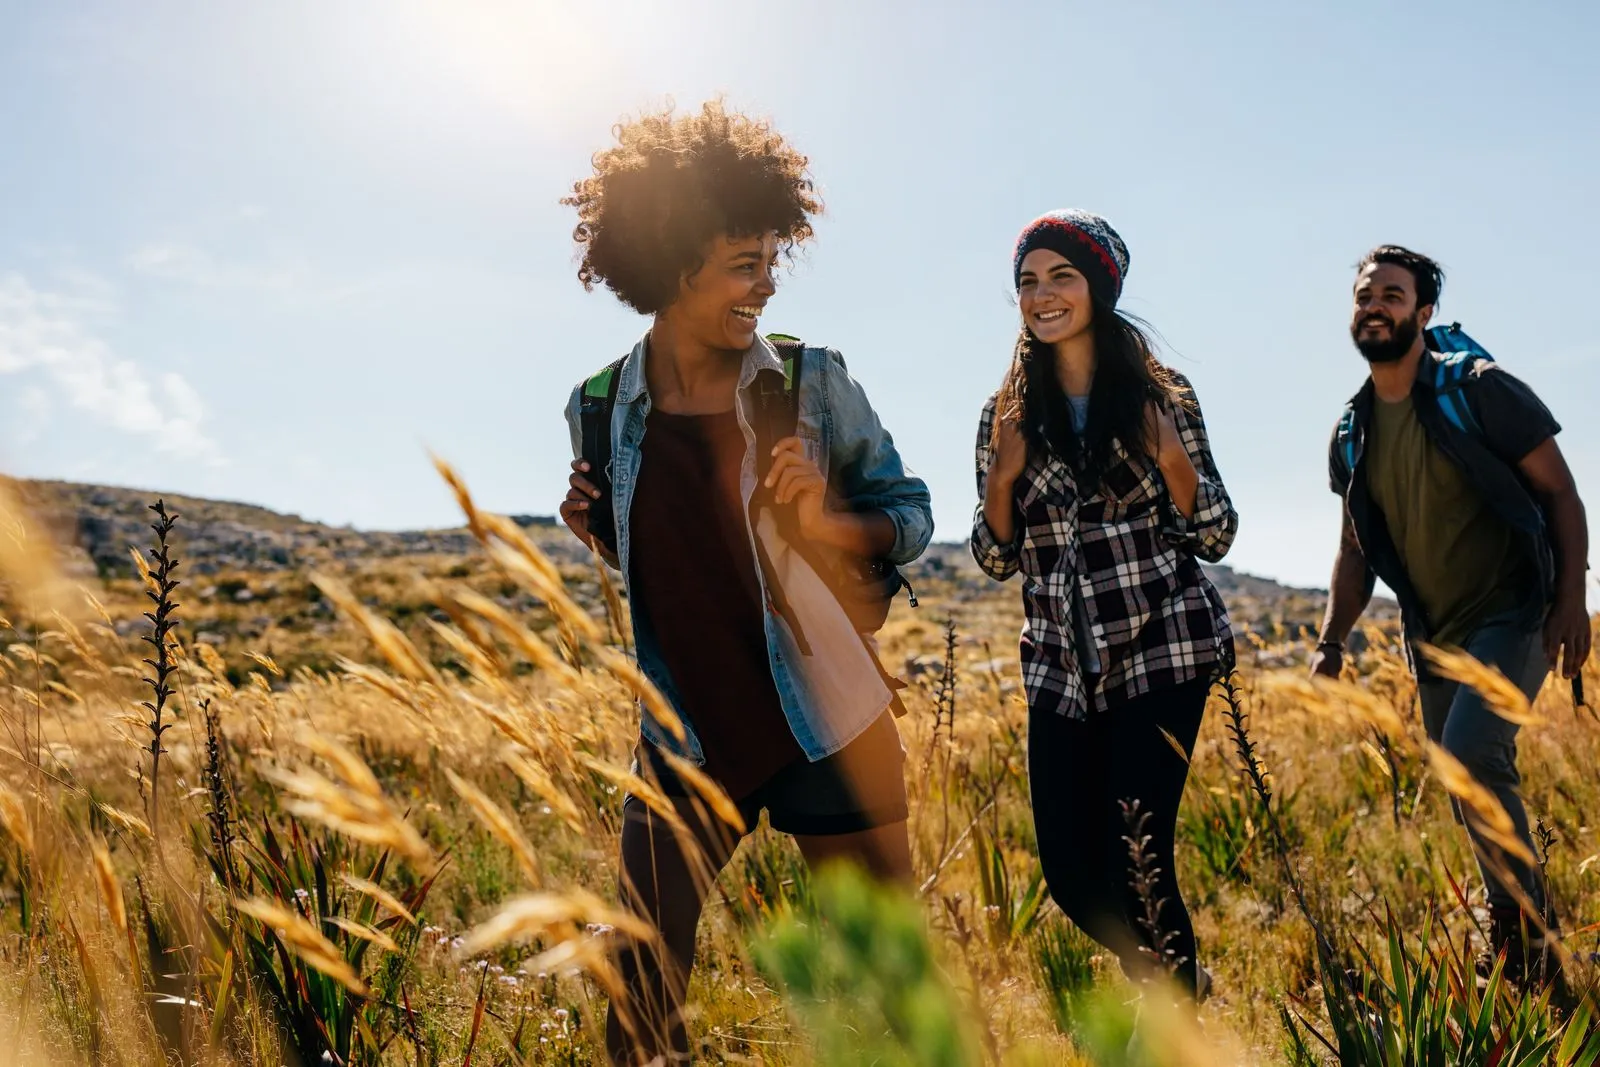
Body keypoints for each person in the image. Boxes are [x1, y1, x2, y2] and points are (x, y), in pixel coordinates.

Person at [557, 101, 933, 1065]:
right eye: (742, 264)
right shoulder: (600, 406)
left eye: (773, 260)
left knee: (901, 994)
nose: (765, 284)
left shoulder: (811, 381)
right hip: (684, 731)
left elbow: (912, 514)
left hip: (826, 722)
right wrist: (597, 531)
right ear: (672, 262)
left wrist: (828, 521)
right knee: (636, 994)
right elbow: (663, 559)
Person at [971, 210, 1237, 1001]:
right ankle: (1174, 979)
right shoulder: (1005, 413)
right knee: (1069, 871)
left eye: (1061, 277)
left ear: (1100, 288)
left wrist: (1172, 461)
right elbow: (993, 557)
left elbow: (1217, 531)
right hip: (1059, 668)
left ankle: (1171, 1020)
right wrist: (1001, 479)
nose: (1042, 295)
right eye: (1027, 281)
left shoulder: (1163, 397)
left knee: (1139, 854)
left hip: (1163, 651)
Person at [1312, 245, 1591, 984]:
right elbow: (1354, 547)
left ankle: (1531, 947)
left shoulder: (1480, 390)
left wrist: (1572, 601)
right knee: (1462, 780)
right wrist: (1332, 639)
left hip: (1517, 610)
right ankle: (1517, 939)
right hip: (1434, 637)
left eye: (1393, 294)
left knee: (1473, 753)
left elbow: (1561, 494)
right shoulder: (1353, 430)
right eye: (1365, 294)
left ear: (1424, 313)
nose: (1376, 304)